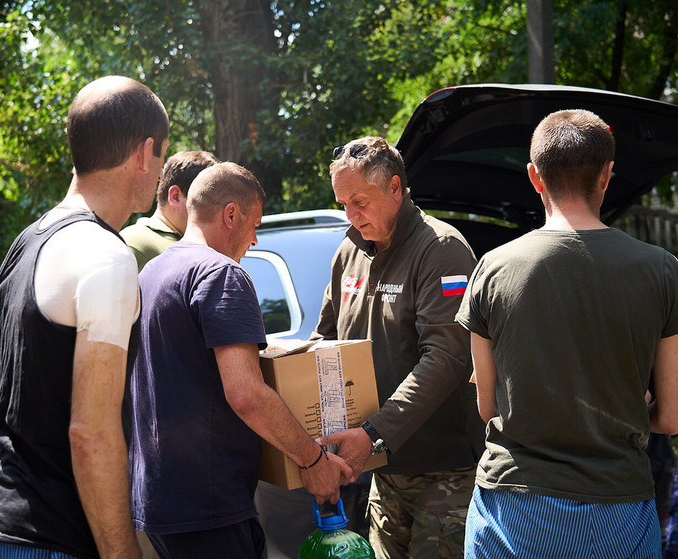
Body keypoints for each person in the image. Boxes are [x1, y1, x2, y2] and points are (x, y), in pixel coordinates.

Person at [0, 75, 169, 559]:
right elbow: (91, 434)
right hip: (50, 542)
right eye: (161, 156)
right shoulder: (106, 256)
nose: (159, 172)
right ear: (143, 154)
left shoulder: (26, 242)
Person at [456, 109, 678, 558]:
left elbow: (486, 406)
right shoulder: (661, 270)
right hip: (618, 510)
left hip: (511, 510)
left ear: (535, 178)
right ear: (607, 174)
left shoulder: (492, 269)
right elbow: (671, 418)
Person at [129, 161, 350, 559]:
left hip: (157, 499)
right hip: (208, 506)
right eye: (255, 225)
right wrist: (314, 460)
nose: (254, 240)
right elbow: (246, 393)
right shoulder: (221, 274)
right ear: (231, 214)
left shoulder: (151, 272)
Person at [313, 136, 484, 558]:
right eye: (343, 205)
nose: (351, 216)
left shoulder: (442, 250)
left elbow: (446, 358)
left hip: (445, 476)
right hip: (382, 474)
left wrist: (373, 433)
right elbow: (325, 344)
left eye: (359, 201)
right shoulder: (348, 253)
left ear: (394, 188)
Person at [121, 150, 220, 270]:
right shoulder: (136, 241)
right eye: (206, 201)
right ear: (175, 196)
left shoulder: (197, 243)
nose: (216, 212)